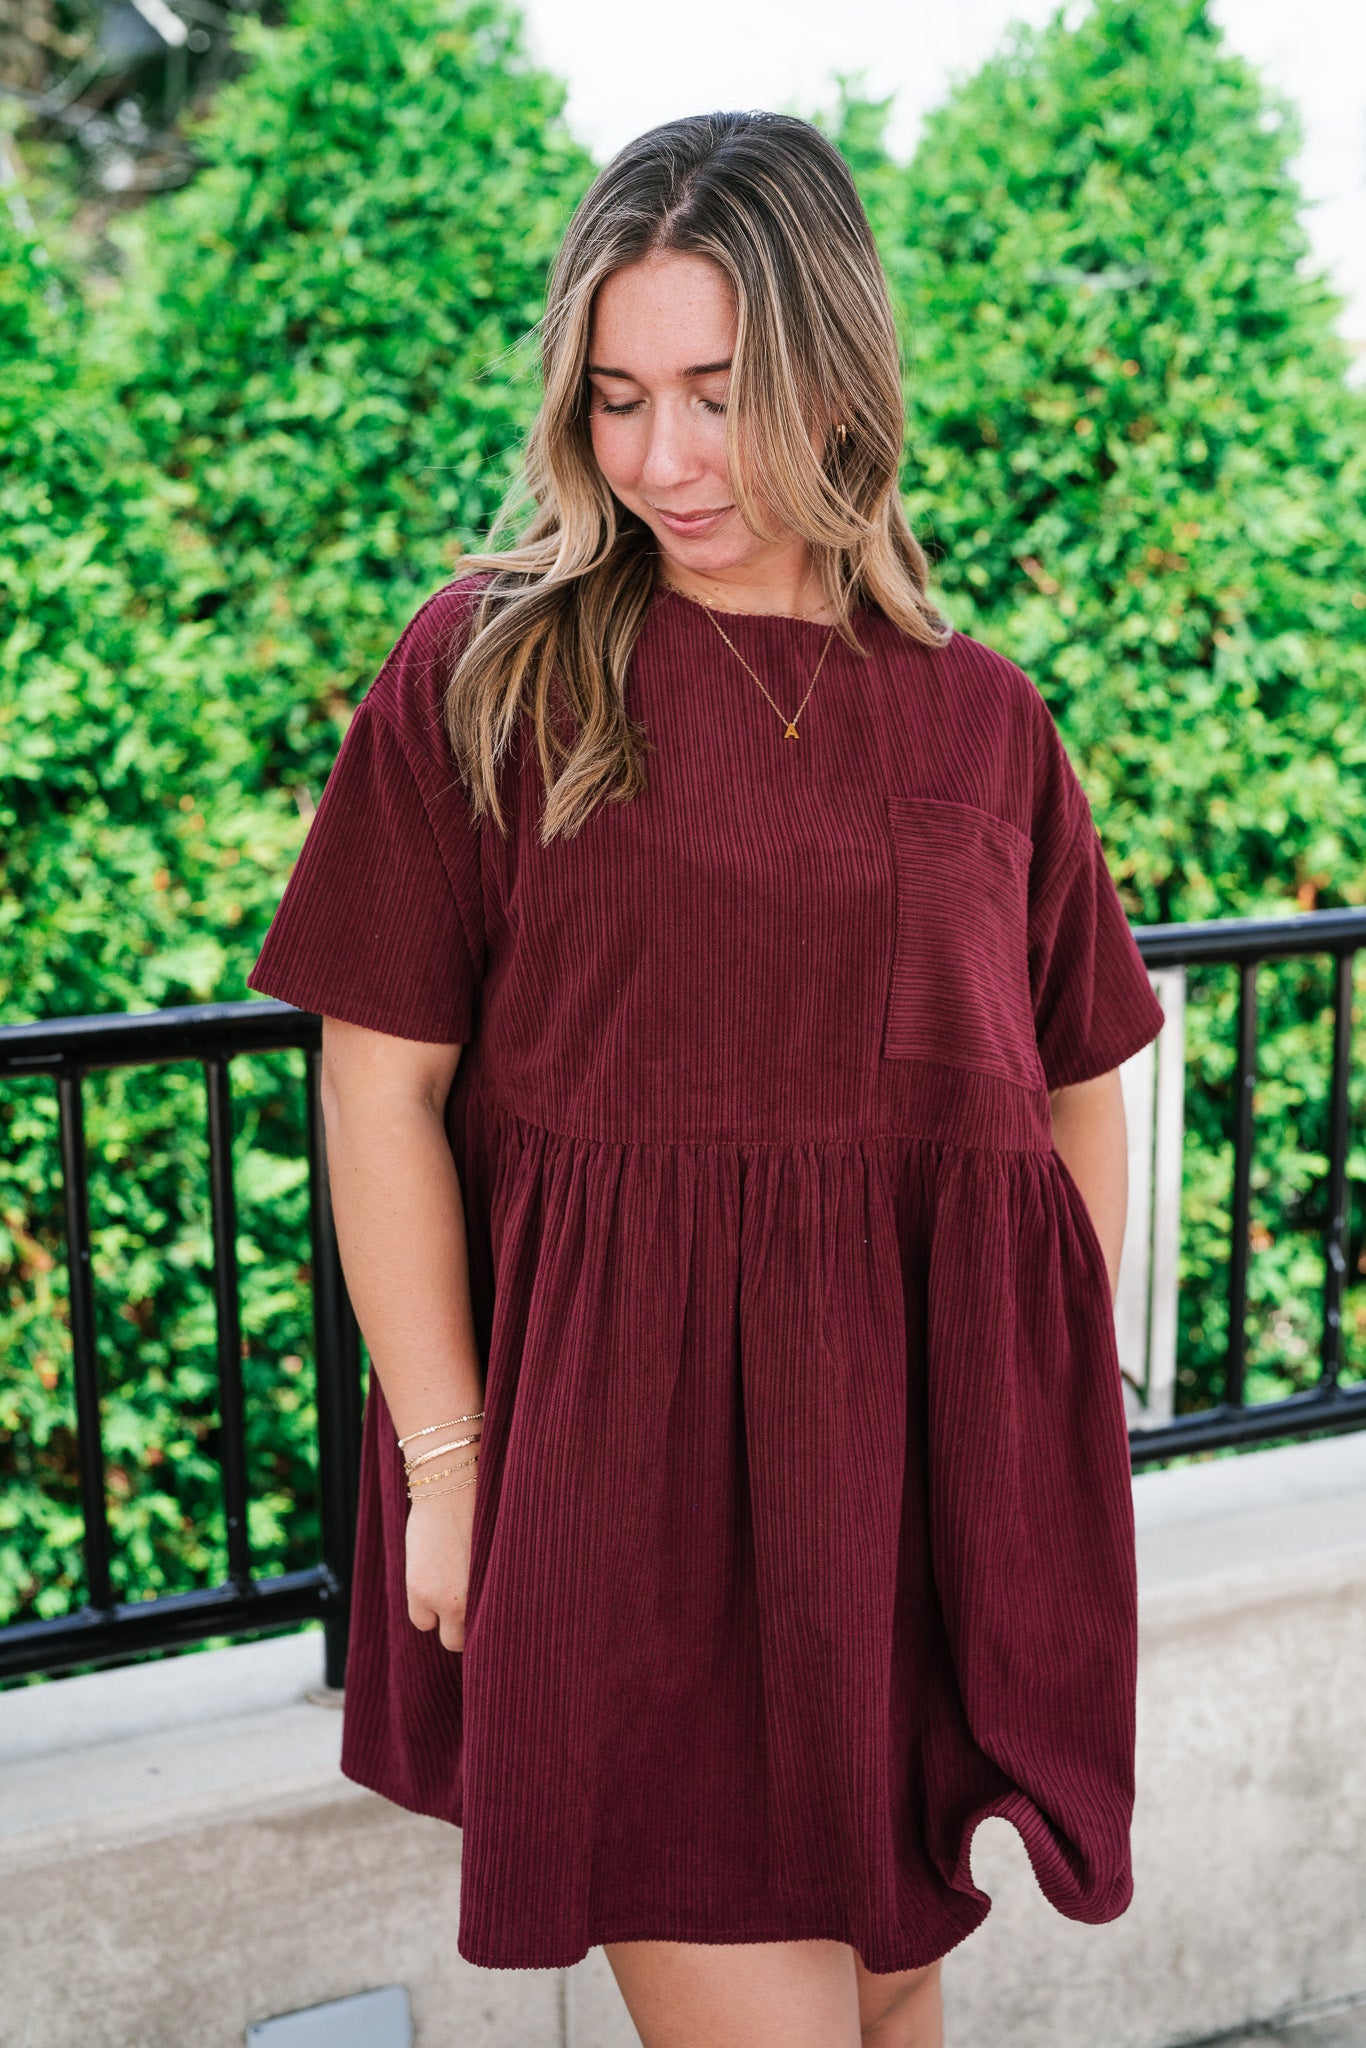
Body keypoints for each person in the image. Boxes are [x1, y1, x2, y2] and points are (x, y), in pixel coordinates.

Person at [246, 109, 1165, 2048]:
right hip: (620, 1520)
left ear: (835, 376)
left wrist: (1038, 1413)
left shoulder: (980, 715)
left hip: (898, 1523)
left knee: (894, 2014)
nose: (661, 459)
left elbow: (1067, 1084)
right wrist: (447, 1468)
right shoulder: (488, 673)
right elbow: (375, 1091)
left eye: (717, 395)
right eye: (616, 399)